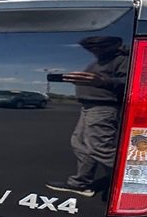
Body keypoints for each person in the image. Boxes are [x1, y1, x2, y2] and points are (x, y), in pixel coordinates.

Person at [47, 36, 127, 197]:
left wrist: (103, 81)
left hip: (103, 108)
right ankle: (81, 183)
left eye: (99, 46)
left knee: (100, 147)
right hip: (89, 107)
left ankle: (128, 184)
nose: (95, 50)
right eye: (90, 48)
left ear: (113, 45)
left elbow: (129, 81)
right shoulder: (98, 62)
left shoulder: (121, 59)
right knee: (79, 143)